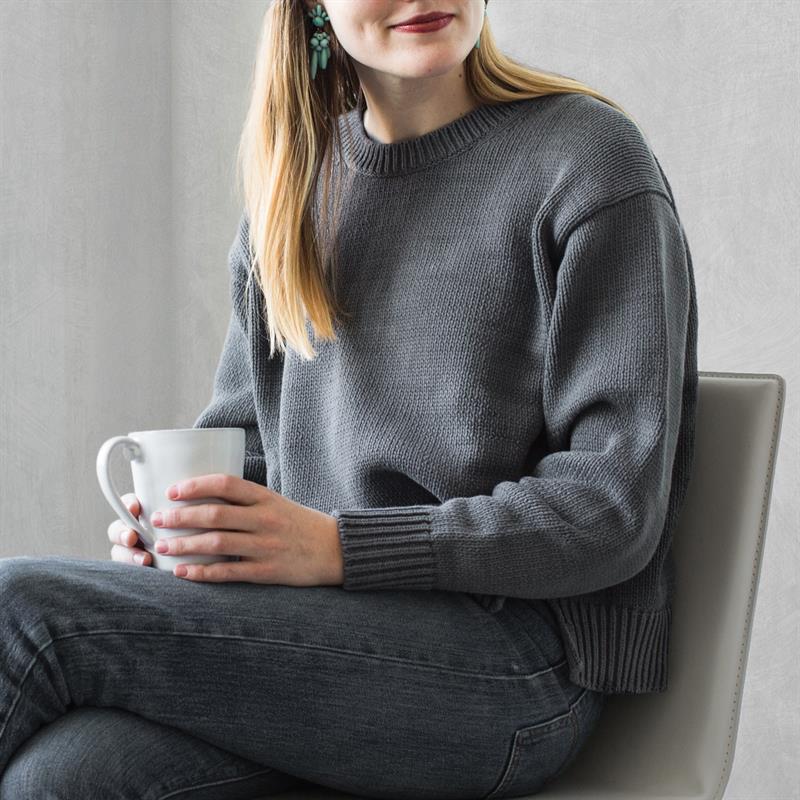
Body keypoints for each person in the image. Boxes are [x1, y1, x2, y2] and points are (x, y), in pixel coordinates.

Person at [0, 0, 698, 797]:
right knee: (64, 776)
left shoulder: (587, 159)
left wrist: (337, 547)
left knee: (22, 610)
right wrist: (192, 530)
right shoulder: (298, 186)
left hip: (513, 666)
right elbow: (248, 447)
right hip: (324, 634)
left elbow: (611, 510)